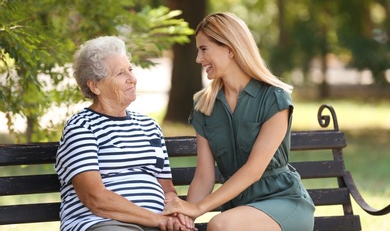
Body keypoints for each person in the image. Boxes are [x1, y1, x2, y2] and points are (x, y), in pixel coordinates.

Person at [162, 12, 315, 231]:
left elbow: (254, 169)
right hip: (239, 209)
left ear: (230, 49)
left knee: (221, 225)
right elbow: (204, 176)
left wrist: (198, 208)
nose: (198, 59)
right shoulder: (204, 106)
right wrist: (187, 215)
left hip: (284, 202)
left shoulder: (274, 98)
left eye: (204, 49)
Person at [55, 36, 195, 231]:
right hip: (103, 224)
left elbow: (167, 191)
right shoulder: (81, 127)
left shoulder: (149, 126)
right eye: (120, 73)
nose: (132, 79)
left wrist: (177, 213)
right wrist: (157, 220)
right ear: (95, 86)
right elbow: (95, 198)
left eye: (130, 69)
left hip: (155, 224)